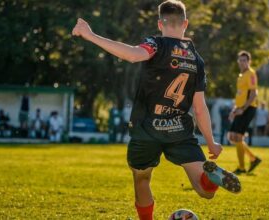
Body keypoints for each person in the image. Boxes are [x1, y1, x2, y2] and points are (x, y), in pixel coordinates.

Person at [72, 1, 241, 219]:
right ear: (186, 23)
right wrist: (211, 142)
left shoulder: (155, 44)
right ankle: (211, 177)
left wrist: (90, 35)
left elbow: (133, 55)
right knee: (204, 191)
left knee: (142, 178)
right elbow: (199, 108)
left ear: (160, 23)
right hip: (179, 130)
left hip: (146, 129)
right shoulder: (196, 59)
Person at [227, 51, 262, 175]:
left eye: (244, 60)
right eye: (240, 60)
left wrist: (243, 109)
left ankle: (242, 168)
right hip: (240, 108)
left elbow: (253, 94)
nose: (242, 62)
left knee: (237, 137)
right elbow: (240, 95)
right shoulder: (241, 75)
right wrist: (235, 110)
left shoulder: (251, 74)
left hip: (248, 108)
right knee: (232, 136)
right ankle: (253, 159)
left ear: (249, 62)